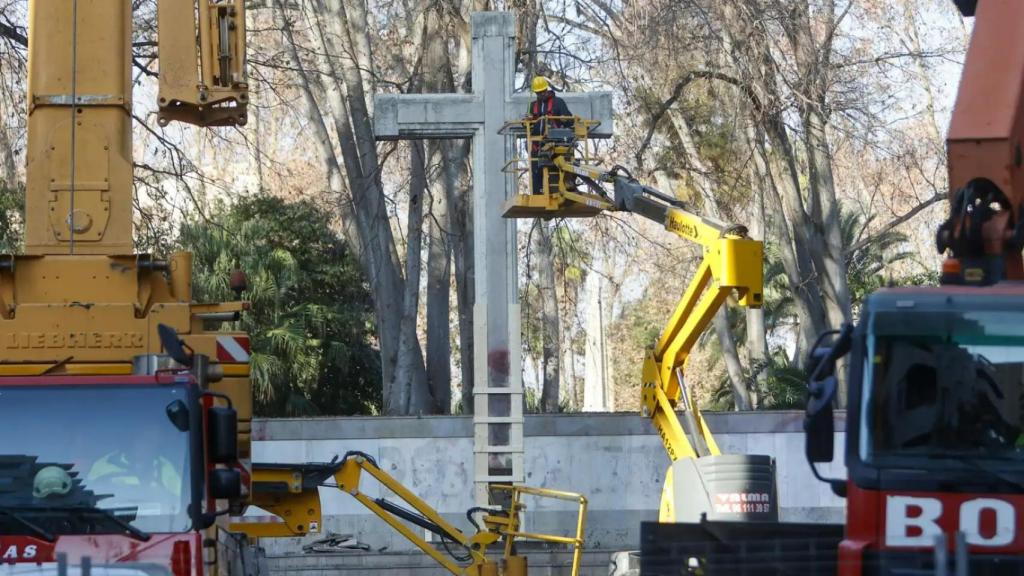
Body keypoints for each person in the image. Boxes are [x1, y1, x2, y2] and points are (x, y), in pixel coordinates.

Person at [526, 76, 573, 195]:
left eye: (542, 92)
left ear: (546, 89)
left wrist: (564, 120)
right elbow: (527, 124)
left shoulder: (558, 103)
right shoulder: (533, 106)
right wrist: (526, 121)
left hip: (556, 144)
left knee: (558, 170)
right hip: (538, 145)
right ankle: (538, 194)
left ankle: (563, 190)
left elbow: (569, 120)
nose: (541, 95)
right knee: (537, 171)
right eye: (538, 93)